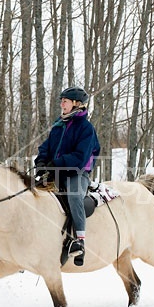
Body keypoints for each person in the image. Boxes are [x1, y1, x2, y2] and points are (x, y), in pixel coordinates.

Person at [34, 86, 100, 266]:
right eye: (61, 100)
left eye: (65, 101)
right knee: (32, 193)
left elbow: (80, 157)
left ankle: (79, 240)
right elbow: (45, 147)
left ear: (77, 104)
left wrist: (56, 163)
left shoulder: (86, 128)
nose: (61, 104)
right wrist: (41, 162)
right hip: (55, 171)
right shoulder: (59, 125)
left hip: (77, 172)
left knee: (73, 196)